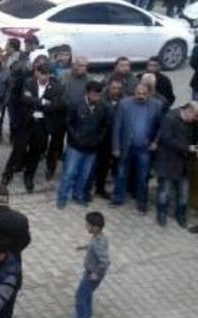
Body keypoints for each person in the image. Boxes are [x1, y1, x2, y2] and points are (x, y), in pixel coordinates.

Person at [2, 63, 63, 193]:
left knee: (36, 152)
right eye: (42, 74)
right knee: (18, 149)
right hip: (26, 123)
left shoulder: (56, 88)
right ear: (37, 72)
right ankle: (7, 174)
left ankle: (29, 176)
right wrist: (43, 102)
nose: (44, 77)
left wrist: (36, 101)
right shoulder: (28, 83)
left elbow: (54, 106)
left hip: (42, 125)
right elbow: (24, 100)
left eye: (47, 74)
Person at [111, 83, 163, 211]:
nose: (141, 96)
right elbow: (117, 127)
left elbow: (161, 127)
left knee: (143, 176)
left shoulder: (156, 105)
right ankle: (118, 198)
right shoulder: (124, 104)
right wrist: (116, 147)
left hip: (144, 149)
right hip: (126, 147)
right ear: (134, 92)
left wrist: (155, 142)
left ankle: (142, 203)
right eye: (138, 93)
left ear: (149, 94)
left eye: (144, 94)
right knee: (122, 174)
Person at [56, 81, 108, 208]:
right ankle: (62, 197)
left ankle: (78, 195)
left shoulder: (103, 107)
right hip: (75, 146)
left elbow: (105, 126)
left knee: (84, 175)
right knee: (69, 173)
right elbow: (69, 123)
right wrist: (76, 137)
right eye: (94, 95)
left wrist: (99, 139)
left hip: (92, 148)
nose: (97, 98)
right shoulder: (76, 105)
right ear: (88, 93)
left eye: (99, 95)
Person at [154, 102, 198, 227]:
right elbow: (167, 140)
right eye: (195, 116)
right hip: (169, 162)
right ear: (188, 110)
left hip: (185, 165)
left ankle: (181, 215)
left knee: (184, 193)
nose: (196, 119)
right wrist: (188, 148)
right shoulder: (170, 118)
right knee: (164, 191)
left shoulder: (193, 122)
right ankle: (161, 213)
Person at [74, 212, 110, 318]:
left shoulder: (98, 243)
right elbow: (92, 246)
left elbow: (104, 261)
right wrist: (83, 247)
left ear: (96, 228)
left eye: (88, 225)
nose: (86, 227)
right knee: (87, 294)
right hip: (90, 272)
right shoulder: (99, 237)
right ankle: (87, 316)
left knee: (80, 296)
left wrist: (96, 273)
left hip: (92, 275)